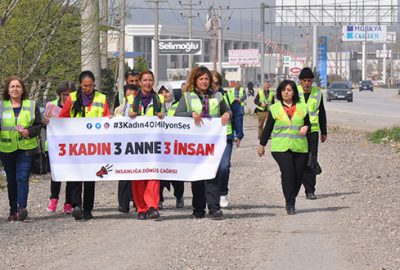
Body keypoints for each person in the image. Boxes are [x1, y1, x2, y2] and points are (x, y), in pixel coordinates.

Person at [175, 66, 231, 218]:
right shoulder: (187, 97)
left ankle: (214, 207)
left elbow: (228, 111)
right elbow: (177, 115)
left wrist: (226, 114)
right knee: (198, 176)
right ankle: (198, 208)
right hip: (195, 143)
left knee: (213, 173)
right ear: (195, 80)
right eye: (201, 79)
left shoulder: (218, 95)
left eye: (206, 79)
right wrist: (190, 114)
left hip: (212, 143)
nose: (204, 82)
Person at [59, 70, 111, 221]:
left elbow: (106, 117)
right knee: (75, 177)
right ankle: (77, 206)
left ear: (94, 83)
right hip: (76, 145)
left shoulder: (101, 98)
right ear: (80, 85)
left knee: (90, 178)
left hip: (95, 146)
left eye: (90, 85)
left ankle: (88, 209)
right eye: (84, 85)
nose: (87, 88)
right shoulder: (73, 98)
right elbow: (64, 117)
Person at [257, 80, 310, 215]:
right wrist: (262, 145)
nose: (286, 92)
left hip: (299, 147)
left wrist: (306, 127)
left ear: (294, 92)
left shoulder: (302, 107)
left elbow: (308, 125)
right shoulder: (274, 108)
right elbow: (268, 128)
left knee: (298, 176)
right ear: (280, 92)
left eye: (289, 90)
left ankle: (292, 198)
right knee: (288, 173)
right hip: (280, 148)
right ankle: (289, 203)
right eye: (283, 90)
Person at [0, 76, 42, 221]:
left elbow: (38, 125)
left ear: (23, 89)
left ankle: (21, 209)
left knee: (22, 178)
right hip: (6, 148)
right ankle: (12, 211)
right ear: (8, 89)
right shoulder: (1, 106)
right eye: (12, 86)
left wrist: (28, 131)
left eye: (18, 86)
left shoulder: (31, 105)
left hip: (26, 148)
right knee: (11, 180)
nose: (15, 89)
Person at [127, 70, 164, 220]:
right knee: (138, 177)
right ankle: (141, 208)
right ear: (140, 82)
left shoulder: (159, 98)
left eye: (150, 80)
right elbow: (121, 119)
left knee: (153, 175)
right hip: (135, 144)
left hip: (154, 144)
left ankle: (152, 206)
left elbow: (168, 120)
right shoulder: (131, 99)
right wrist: (129, 116)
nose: (148, 83)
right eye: (145, 80)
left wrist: (162, 116)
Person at [211, 70, 244, 208]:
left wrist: (239, 134)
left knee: (224, 166)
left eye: (216, 83)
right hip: (207, 139)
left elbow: (237, 114)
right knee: (210, 168)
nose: (213, 86)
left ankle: (223, 193)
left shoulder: (227, 96)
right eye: (211, 83)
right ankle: (211, 196)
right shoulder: (201, 97)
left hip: (226, 136)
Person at [44, 81, 76, 214]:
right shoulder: (51, 105)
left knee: (70, 175)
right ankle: (54, 198)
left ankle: (68, 203)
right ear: (59, 94)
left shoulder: (77, 106)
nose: (66, 98)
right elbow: (45, 122)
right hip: (55, 146)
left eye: (69, 95)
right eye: (63, 95)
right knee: (56, 173)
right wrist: (46, 120)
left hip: (72, 145)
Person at [297, 67, 327, 200]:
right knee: (300, 160)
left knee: (311, 160)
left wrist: (324, 131)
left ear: (312, 81)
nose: (307, 83)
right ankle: (298, 185)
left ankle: (310, 190)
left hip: (313, 132)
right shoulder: (293, 91)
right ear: (300, 81)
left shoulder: (317, 93)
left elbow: (322, 113)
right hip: (297, 131)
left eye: (309, 81)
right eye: (304, 81)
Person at [157, 83, 184, 209]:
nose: (164, 94)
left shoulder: (178, 105)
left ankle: (179, 196)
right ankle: (159, 199)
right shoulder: (154, 106)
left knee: (176, 175)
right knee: (158, 174)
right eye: (161, 92)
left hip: (174, 146)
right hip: (158, 146)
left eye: (167, 91)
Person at [114, 83, 139, 213]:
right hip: (123, 145)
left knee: (138, 175)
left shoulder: (141, 107)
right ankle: (123, 204)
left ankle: (137, 202)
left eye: (134, 94)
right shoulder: (119, 109)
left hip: (139, 145)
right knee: (124, 175)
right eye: (128, 94)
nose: (131, 97)